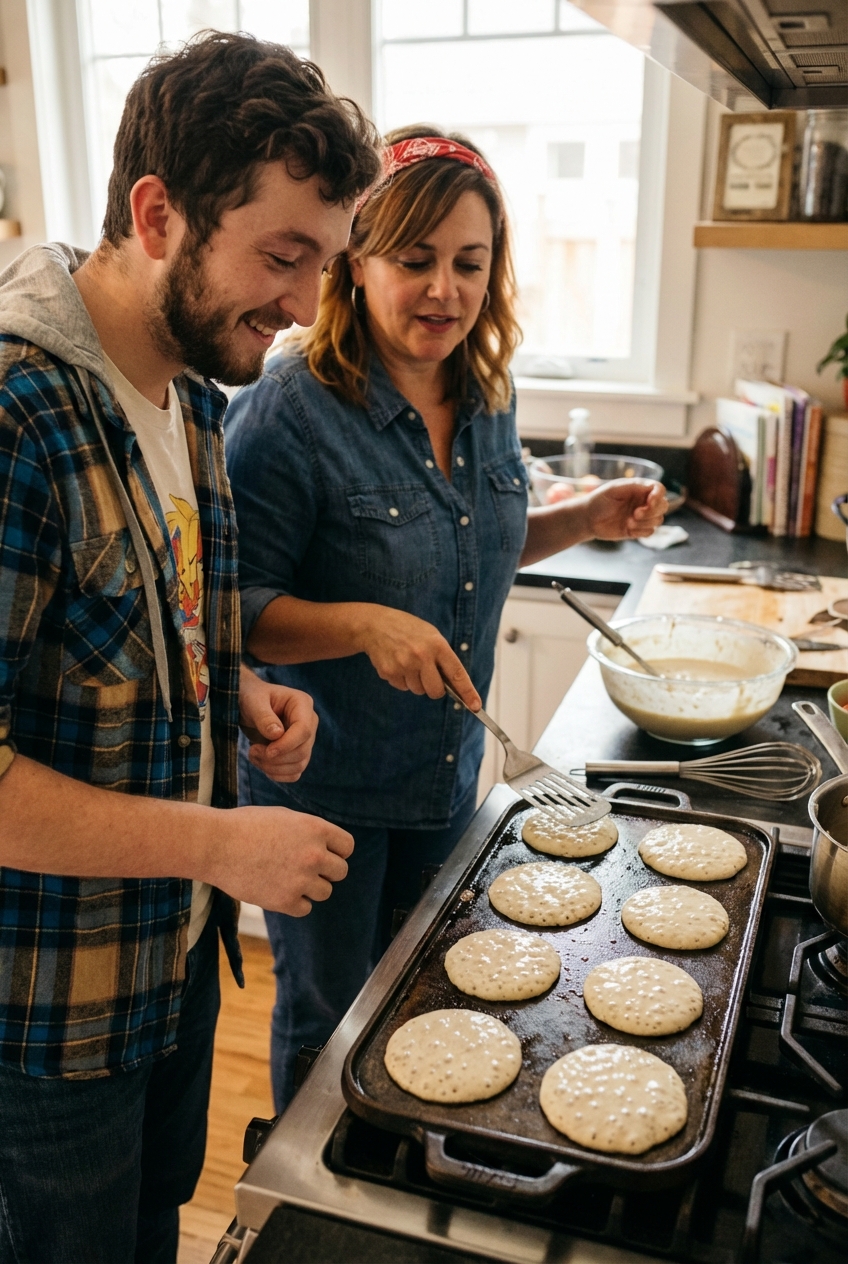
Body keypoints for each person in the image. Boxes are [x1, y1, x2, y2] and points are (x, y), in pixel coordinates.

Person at [0, 32, 380, 1264]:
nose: (304, 307)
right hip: (41, 1028)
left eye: (323, 264)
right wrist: (220, 844)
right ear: (158, 213)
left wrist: (235, 696)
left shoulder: (192, 397)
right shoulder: (18, 413)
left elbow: (128, 639)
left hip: (165, 976)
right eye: (283, 256)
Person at [224, 126, 668, 1111]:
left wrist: (584, 518)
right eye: (414, 260)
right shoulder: (288, 408)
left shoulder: (487, 388)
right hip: (320, 789)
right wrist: (361, 626)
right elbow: (230, 610)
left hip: (444, 780)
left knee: (428, 1006)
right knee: (329, 1019)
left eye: (468, 263)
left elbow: (470, 551)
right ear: (354, 261)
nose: (443, 291)